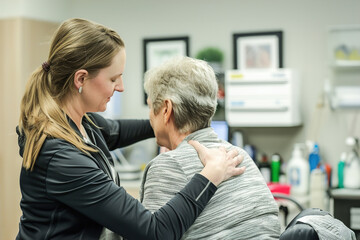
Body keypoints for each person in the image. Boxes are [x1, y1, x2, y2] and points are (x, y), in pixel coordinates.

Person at [16, 18, 245, 240]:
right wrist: (210, 175)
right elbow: (154, 232)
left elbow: (118, 131)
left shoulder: (84, 124)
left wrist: (171, 121)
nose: (121, 87)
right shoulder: (61, 157)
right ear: (81, 79)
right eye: (114, 78)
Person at [141, 56, 281, 239]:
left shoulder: (167, 166)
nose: (150, 117)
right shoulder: (239, 156)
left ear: (166, 109)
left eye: (151, 107)